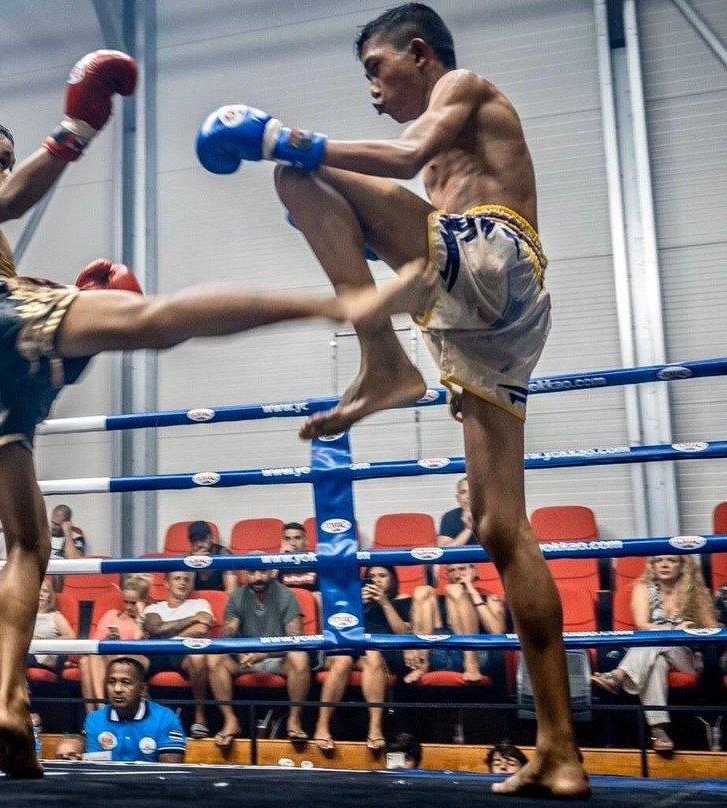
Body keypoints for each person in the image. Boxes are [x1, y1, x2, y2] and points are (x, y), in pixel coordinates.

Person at [0, 50, 385, 777]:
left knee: (27, 544)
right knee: (156, 319)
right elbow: (4, 208)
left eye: (9, 160)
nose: (4, 171)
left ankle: (8, 700)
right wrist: (75, 127)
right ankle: (338, 302)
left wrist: (70, 292)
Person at [195, 3, 590, 796]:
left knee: (295, 174)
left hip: (490, 258)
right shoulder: (457, 143)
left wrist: (281, 136)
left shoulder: (466, 87)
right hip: (480, 320)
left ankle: (383, 363)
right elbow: (399, 183)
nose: (373, 89)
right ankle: (562, 752)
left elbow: (404, 160)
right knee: (498, 527)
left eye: (376, 69)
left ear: (418, 52)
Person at [591, 555, 719, 752]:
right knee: (656, 660)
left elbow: (712, 627)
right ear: (652, 565)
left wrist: (691, 628)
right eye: (659, 560)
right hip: (654, 651)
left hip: (687, 656)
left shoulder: (696, 591)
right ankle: (659, 731)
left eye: (672, 560)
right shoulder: (643, 588)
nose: (665, 565)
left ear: (683, 566)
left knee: (654, 639)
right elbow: (642, 624)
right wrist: (675, 628)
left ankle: (618, 675)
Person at [313, 565, 412, 755]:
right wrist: (355, 605)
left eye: (382, 576)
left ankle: (375, 728)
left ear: (393, 579)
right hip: (346, 649)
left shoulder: (403, 601)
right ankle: (322, 726)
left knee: (372, 655)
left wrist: (384, 602)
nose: (377, 580)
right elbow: (334, 630)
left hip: (379, 653)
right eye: (372, 576)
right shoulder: (351, 599)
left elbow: (403, 632)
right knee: (342, 660)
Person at [207, 567, 309, 747]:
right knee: (215, 658)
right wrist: (241, 649)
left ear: (272, 572)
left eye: (262, 572)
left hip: (278, 658)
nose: (258, 578)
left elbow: (295, 639)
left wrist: (264, 653)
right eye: (252, 573)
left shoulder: (286, 595)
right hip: (245, 658)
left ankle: (294, 721)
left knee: (300, 657)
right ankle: (230, 721)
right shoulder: (238, 596)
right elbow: (227, 636)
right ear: (246, 574)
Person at [141, 570, 214, 738]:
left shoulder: (199, 604)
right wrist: (192, 619)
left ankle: (200, 717)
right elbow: (154, 628)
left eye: (186, 579)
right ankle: (146, 716)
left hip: (184, 650)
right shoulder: (154, 607)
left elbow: (202, 629)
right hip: (156, 651)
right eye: (177, 579)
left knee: (198, 657)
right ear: (167, 583)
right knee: (128, 663)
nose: (182, 583)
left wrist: (167, 633)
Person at [405, 561, 505, 683]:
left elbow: (497, 631)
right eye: (452, 570)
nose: (457, 574)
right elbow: (411, 626)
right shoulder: (437, 599)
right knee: (422, 590)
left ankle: (471, 663)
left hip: (477, 654)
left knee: (455, 590)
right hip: (437, 652)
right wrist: (410, 647)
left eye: (462, 569)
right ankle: (421, 665)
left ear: (474, 571)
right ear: (446, 575)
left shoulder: (488, 597)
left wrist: (471, 589)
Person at [82, 657, 186, 763]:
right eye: (111, 682)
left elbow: (170, 772)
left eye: (126, 682)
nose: (117, 689)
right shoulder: (95, 719)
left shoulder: (165, 718)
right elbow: (95, 770)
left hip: (151, 779)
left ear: (142, 689)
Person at [80, 576, 148, 713]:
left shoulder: (146, 619)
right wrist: (109, 638)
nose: (128, 607)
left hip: (133, 658)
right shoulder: (111, 614)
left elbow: (138, 643)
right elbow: (95, 641)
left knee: (95, 658)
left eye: (133, 603)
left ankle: (99, 710)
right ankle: (93, 714)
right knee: (86, 661)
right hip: (106, 657)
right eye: (126, 602)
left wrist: (141, 616)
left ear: (142, 601)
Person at [29, 577, 76, 672]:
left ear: (50, 597)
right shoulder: (23, 615)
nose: (40, 594)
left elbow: (71, 636)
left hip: (44, 656)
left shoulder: (55, 616)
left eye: (45, 591)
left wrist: (43, 641)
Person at [186, 521, 237, 595]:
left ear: (211, 537)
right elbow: (185, 594)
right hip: (196, 604)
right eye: (195, 540)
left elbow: (232, 592)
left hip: (221, 602)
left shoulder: (224, 555)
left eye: (203, 538)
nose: (199, 544)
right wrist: (194, 564)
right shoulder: (187, 559)